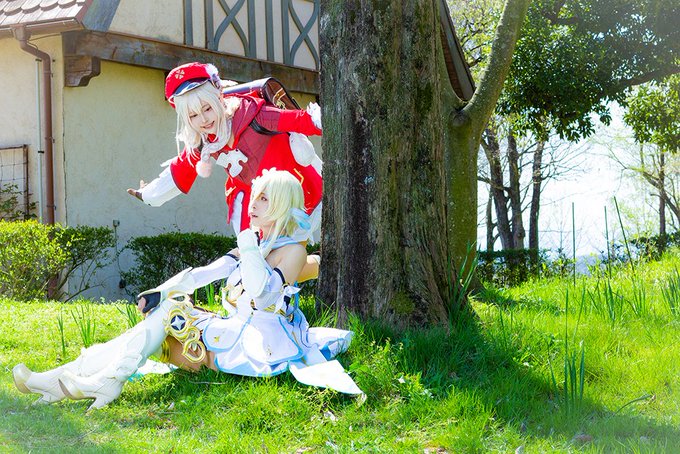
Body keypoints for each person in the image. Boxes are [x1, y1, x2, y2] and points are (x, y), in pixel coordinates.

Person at [13, 170, 361, 410]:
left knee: (165, 317)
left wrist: (249, 246)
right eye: (254, 196)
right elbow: (202, 275)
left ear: (283, 205)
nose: (253, 204)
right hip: (232, 328)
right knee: (165, 309)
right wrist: (161, 291)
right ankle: (66, 378)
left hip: (261, 343)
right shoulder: (252, 245)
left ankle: (91, 380)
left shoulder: (292, 252)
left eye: (264, 199)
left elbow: (262, 294)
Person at [127, 62, 323, 242]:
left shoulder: (254, 115)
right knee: (256, 255)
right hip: (255, 207)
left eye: (207, 109)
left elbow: (303, 121)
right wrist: (148, 195)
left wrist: (321, 119)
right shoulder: (203, 142)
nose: (203, 120)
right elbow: (179, 172)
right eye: (193, 115)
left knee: (290, 253)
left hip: (295, 191)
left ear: (218, 98)